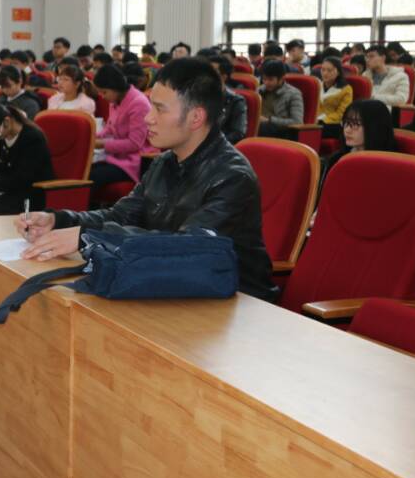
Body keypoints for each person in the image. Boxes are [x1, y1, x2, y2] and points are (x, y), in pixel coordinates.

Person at [16, 58, 278, 302]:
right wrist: (59, 220)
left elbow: (185, 249)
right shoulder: (164, 162)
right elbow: (121, 216)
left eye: (159, 109)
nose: (148, 117)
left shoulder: (232, 177)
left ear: (196, 117)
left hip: (239, 302)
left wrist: (86, 237)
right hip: (177, 288)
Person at [0, 103, 54, 216]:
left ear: (7, 121)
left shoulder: (32, 138)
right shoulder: (1, 136)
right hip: (10, 188)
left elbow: (22, 178)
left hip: (30, 193)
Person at [90, 64, 154, 193]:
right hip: (117, 155)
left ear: (115, 87)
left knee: (93, 176)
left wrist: (102, 144)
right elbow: (110, 128)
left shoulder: (139, 103)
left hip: (136, 159)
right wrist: (93, 137)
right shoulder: (115, 99)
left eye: (104, 92)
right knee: (85, 170)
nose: (102, 96)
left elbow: (134, 143)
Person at [320, 100, 397, 190]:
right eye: (346, 123)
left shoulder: (389, 167)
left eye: (356, 124)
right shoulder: (336, 159)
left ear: (375, 127)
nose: (347, 130)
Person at [207, 55, 247, 144]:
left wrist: (210, 143)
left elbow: (238, 133)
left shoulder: (236, 101)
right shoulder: (197, 97)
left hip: (220, 146)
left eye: (212, 73)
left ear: (224, 77)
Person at [257, 60, 303, 137]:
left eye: (270, 79)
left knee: (263, 127)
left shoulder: (293, 94)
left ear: (282, 78)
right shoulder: (259, 91)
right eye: (264, 79)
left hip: (282, 132)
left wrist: (269, 120)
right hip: (261, 127)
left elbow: (297, 122)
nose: (266, 83)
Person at [363, 45, 409, 110]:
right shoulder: (365, 75)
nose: (367, 60)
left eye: (371, 56)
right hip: (366, 109)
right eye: (366, 57)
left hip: (387, 111)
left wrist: (373, 97)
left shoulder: (400, 76)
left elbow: (401, 99)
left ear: (383, 58)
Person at [317, 56, 353, 139]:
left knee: (313, 131)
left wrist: (322, 120)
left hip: (334, 124)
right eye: (323, 70)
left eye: (329, 70)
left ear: (338, 72)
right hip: (316, 122)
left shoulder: (346, 89)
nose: (325, 73)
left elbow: (341, 113)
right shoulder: (317, 85)